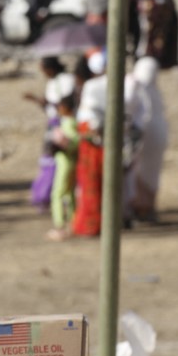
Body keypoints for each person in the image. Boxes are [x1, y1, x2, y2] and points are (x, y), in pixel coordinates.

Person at [23, 56, 75, 212]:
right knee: (49, 159)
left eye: (44, 69)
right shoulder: (53, 82)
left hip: (63, 124)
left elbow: (65, 103)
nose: (43, 73)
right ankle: (48, 196)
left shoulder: (66, 80)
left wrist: (46, 103)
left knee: (59, 160)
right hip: (53, 123)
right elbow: (50, 108)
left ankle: (59, 197)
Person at [127, 57, 169, 222]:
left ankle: (141, 207)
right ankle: (146, 207)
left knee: (139, 172)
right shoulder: (154, 92)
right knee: (150, 174)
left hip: (143, 138)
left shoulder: (136, 88)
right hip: (158, 138)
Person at [73, 51, 107, 237]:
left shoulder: (92, 86)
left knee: (90, 183)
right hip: (101, 140)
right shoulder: (114, 82)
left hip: (91, 142)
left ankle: (90, 224)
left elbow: (90, 115)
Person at [46, 93, 80, 241]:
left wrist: (60, 145)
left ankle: (59, 225)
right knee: (69, 194)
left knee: (58, 194)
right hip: (69, 162)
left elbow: (73, 142)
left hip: (66, 163)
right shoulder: (71, 122)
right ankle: (73, 223)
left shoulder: (68, 123)